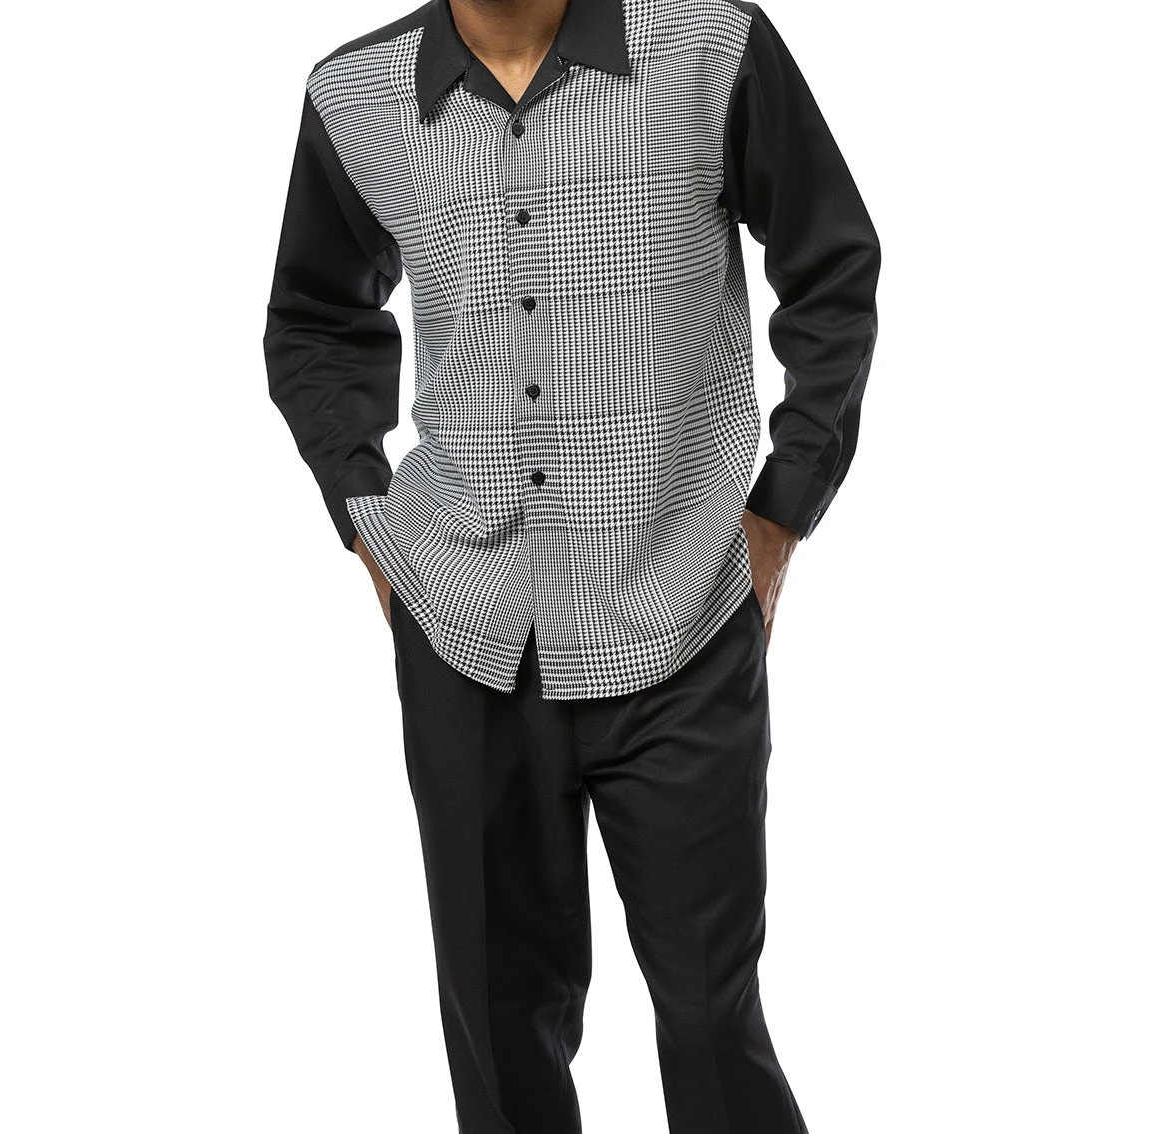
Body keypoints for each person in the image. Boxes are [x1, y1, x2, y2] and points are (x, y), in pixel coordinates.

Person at [262, 0, 880, 1129]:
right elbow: (311, 317)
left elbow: (832, 270)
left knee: (711, 1022)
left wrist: (784, 508)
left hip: (680, 613)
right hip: (463, 633)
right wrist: (362, 510)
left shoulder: (709, 47)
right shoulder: (353, 97)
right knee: (501, 1038)